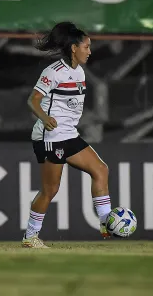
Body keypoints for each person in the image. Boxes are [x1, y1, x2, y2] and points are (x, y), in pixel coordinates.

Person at [22, 21, 112, 248]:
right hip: (50, 136)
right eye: (86, 47)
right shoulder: (53, 72)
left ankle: (107, 223)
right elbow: (32, 100)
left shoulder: (80, 72)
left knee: (101, 170)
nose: (90, 51)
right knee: (50, 190)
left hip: (69, 134)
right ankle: (30, 236)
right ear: (74, 48)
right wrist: (44, 118)